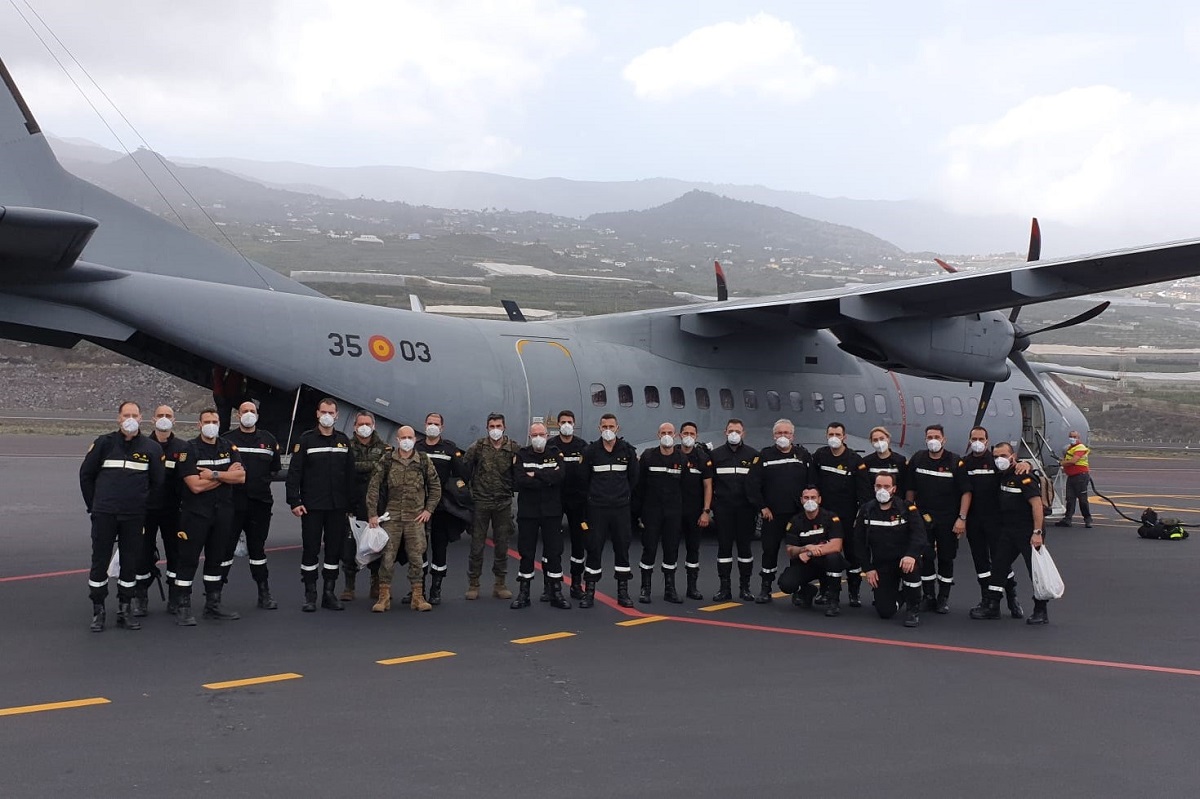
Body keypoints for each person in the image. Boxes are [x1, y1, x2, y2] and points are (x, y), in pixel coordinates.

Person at [79, 401, 165, 632]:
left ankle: (125, 608)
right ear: (118, 418)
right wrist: (94, 506)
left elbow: (158, 483)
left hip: (134, 516)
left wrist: (142, 506)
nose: (130, 419)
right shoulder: (103, 444)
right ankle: (98, 610)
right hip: (104, 513)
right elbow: (86, 476)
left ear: (141, 418)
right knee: (100, 561)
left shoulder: (151, 449)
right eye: (126, 414)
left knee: (130, 562)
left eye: (134, 415)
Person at [173, 408, 245, 625]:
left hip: (222, 512)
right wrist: (226, 476)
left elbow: (241, 477)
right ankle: (183, 605)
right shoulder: (189, 449)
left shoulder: (228, 447)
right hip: (196, 514)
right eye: (207, 421)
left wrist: (214, 475)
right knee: (188, 559)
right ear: (199, 424)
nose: (211, 425)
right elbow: (194, 486)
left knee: (217, 559)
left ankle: (213, 603)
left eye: (215, 421)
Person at [286, 398, 356, 612]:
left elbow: (350, 476)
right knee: (311, 550)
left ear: (337, 416)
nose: (327, 415)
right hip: (312, 506)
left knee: (334, 551)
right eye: (323, 411)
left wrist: (351, 506)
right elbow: (294, 472)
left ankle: (329, 592)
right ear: (317, 414)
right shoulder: (306, 440)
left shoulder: (344, 441)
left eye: (331, 412)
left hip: (337, 507)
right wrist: (294, 501)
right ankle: (310, 594)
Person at [971, 441, 1049, 624]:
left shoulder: (1025, 477)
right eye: (996, 457)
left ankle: (1041, 610)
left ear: (1013, 457)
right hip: (1008, 530)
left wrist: (1037, 532)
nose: (1000, 460)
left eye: (1004, 456)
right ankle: (992, 605)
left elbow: (1037, 505)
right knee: (999, 567)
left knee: (1035, 571)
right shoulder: (1003, 475)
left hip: (1028, 531)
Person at [366, 426, 441, 612]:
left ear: (415, 439)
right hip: (392, 517)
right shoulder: (388, 460)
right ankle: (384, 597)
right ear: (397, 440)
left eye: (410, 437)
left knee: (417, 557)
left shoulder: (423, 460)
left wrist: (428, 510)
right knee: (387, 557)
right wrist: (372, 514)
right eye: (403, 437)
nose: (406, 440)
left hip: (415, 518)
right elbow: (374, 486)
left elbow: (435, 487)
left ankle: (418, 596)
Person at [905, 424, 971, 614]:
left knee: (946, 558)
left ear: (944, 439)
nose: (932, 440)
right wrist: (910, 513)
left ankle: (943, 597)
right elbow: (910, 489)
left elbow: (966, 492)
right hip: (923, 518)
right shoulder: (918, 459)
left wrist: (962, 518)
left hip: (948, 519)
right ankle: (929, 596)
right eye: (929, 437)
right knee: (926, 556)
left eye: (936, 436)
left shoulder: (954, 462)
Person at [224, 399, 282, 610]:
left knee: (258, 550)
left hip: (259, 504)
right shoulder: (227, 441)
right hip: (232, 504)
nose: (248, 414)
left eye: (252, 411)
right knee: (225, 549)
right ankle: (215, 594)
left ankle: (264, 593)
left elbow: (275, 468)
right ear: (238, 415)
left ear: (257, 414)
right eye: (244, 411)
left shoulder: (268, 440)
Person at [746, 418, 811, 603]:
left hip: (797, 516)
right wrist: (762, 507)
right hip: (773, 514)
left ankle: (799, 589)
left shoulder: (803, 456)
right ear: (774, 435)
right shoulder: (765, 456)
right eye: (779, 433)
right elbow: (752, 484)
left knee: (798, 552)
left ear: (793, 435)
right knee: (769, 551)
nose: (783, 437)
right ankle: (765, 588)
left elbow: (811, 483)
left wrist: (808, 508)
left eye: (787, 433)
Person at [962, 426, 1023, 619]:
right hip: (974, 521)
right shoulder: (965, 463)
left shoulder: (996, 461)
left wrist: (1027, 465)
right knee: (980, 561)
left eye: (981, 438)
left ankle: (1012, 598)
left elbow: (1013, 468)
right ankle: (987, 599)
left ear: (987, 441)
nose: (977, 442)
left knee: (1000, 560)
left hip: (995, 520)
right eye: (974, 439)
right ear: (970, 441)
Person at [578, 413, 639, 608]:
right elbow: (583, 479)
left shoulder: (627, 451)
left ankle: (623, 592)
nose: (608, 430)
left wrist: (623, 495)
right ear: (599, 428)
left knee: (622, 549)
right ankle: (589, 592)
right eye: (604, 426)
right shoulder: (591, 452)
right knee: (594, 548)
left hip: (620, 508)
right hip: (597, 509)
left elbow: (634, 478)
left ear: (617, 428)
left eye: (611, 426)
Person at [135, 404, 189, 616]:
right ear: (152, 420)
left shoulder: (183, 448)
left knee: (175, 553)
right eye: (160, 415)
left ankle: (175, 597)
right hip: (146, 510)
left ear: (174, 420)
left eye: (168, 416)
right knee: (142, 554)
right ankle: (141, 596)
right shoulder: (143, 446)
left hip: (173, 511)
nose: (164, 419)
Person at [854, 472, 926, 628]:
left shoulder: (906, 508)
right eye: (879, 486)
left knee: (911, 571)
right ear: (874, 487)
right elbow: (859, 542)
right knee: (885, 612)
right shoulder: (866, 510)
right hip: (882, 564)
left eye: (886, 486)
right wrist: (869, 568)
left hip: (904, 560)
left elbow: (919, 535)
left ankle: (913, 609)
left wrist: (911, 555)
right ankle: (904, 596)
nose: (882, 490)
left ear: (894, 489)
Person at [811, 422, 870, 606]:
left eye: (837, 434)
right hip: (825, 516)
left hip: (848, 515)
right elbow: (813, 483)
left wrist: (860, 518)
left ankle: (854, 592)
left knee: (853, 555)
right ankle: (824, 590)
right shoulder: (820, 456)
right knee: (823, 553)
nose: (834, 438)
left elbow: (864, 493)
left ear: (844, 437)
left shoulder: (855, 461)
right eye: (831, 434)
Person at [512, 422, 569, 609]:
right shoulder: (521, 454)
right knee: (526, 553)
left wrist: (534, 474)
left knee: (554, 552)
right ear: (530, 436)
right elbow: (520, 480)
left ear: (547, 435)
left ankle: (556, 592)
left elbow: (559, 477)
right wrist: (545, 477)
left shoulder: (555, 453)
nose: (538, 438)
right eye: (534, 434)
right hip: (528, 512)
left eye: (541, 434)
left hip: (551, 512)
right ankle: (524, 593)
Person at [463, 412, 519, 600]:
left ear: (504, 427)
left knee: (502, 544)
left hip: (503, 502)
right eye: (492, 426)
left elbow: (519, 471)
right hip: (481, 502)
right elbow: (465, 469)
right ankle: (474, 584)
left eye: (499, 426)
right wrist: (469, 492)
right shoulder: (477, 447)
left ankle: (500, 583)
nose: (496, 430)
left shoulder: (513, 448)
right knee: (477, 545)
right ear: (487, 428)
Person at [339, 410, 391, 603]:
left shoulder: (385, 449)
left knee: (376, 546)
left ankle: (375, 583)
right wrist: (372, 466)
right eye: (361, 424)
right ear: (354, 426)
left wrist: (358, 467)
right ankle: (349, 586)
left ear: (374, 425)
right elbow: (346, 472)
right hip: (352, 503)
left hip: (377, 505)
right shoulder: (346, 446)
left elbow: (384, 473)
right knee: (349, 547)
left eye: (368, 423)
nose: (364, 427)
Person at [415, 411, 467, 606]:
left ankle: (435, 588)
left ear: (442, 428)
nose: (432, 426)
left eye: (436, 424)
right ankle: (417, 588)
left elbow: (461, 475)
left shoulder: (449, 449)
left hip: (441, 507)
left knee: (439, 547)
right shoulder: (416, 447)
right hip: (418, 505)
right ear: (424, 424)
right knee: (418, 548)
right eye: (429, 423)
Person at [634, 422, 687, 604]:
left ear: (676, 435)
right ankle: (645, 588)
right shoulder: (649, 456)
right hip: (652, 511)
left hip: (673, 512)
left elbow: (686, 488)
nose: (666, 435)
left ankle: (669, 588)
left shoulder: (681, 459)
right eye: (663, 432)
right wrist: (637, 513)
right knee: (649, 549)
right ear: (658, 435)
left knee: (671, 550)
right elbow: (639, 486)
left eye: (670, 432)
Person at [777, 486, 847, 616]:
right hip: (806, 565)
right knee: (786, 584)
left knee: (834, 558)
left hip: (826, 563)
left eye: (813, 497)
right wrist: (805, 548)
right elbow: (790, 550)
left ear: (819, 499)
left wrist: (810, 552)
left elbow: (836, 545)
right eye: (806, 498)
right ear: (801, 500)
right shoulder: (794, 522)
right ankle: (806, 590)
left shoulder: (830, 518)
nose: (810, 501)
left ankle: (833, 600)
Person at [709, 418, 757, 602]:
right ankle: (724, 588)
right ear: (725, 432)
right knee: (724, 549)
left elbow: (757, 483)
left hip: (746, 510)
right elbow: (709, 483)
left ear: (743, 433)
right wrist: (713, 505)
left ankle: (745, 588)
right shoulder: (716, 455)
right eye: (731, 430)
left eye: (737, 430)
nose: (734, 434)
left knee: (745, 549)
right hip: (724, 509)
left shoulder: (753, 455)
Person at [552, 410, 589, 599]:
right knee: (553, 544)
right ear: (557, 424)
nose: (566, 424)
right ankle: (551, 585)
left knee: (578, 543)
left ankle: (576, 583)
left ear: (574, 424)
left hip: (577, 501)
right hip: (555, 500)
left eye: (569, 421)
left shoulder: (582, 446)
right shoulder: (551, 446)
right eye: (563, 421)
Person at [677, 422, 713, 601]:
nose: (688, 436)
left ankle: (692, 587)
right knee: (670, 550)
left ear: (696, 436)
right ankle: (670, 587)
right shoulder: (672, 453)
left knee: (693, 550)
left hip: (694, 511)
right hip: (673, 511)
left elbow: (708, 486)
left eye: (692, 433)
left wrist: (706, 511)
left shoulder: (701, 457)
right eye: (685, 433)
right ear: (679, 435)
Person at [1055, 429, 1093, 528]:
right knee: (1070, 499)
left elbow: (1073, 461)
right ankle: (1067, 519)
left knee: (1082, 499)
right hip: (1072, 476)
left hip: (1080, 476)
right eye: (1071, 436)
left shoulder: (1080, 447)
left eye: (1074, 437)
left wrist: (1062, 463)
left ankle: (1087, 519)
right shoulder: (1071, 448)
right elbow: (1069, 460)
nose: (1072, 438)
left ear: (1078, 438)